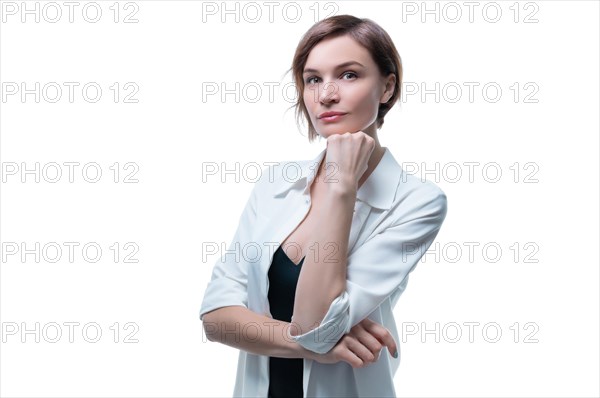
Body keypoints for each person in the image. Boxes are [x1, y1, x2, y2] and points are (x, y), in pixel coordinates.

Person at [199, 14, 448, 397]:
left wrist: (341, 185)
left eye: (349, 75)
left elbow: (315, 322)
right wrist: (315, 343)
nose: (326, 94)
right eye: (313, 78)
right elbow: (216, 318)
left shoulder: (417, 201)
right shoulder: (275, 183)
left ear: (387, 87)